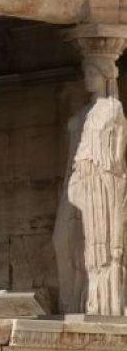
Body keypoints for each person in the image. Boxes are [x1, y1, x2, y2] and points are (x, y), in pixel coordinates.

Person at [54, 52, 127, 315]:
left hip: (102, 180)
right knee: (62, 239)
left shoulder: (113, 109)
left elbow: (117, 158)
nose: (88, 78)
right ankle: (71, 300)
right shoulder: (82, 112)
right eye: (86, 73)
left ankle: (103, 303)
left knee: (96, 244)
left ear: (106, 76)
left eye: (93, 73)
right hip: (76, 177)